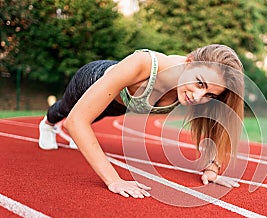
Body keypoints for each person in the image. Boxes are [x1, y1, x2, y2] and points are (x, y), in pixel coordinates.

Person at [38, 44, 244, 198]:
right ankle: (47, 125)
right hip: (92, 79)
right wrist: (114, 180)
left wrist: (212, 168)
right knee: (66, 110)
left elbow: (216, 126)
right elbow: (75, 122)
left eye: (210, 94)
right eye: (199, 83)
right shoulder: (144, 64)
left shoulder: (199, 90)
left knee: (96, 117)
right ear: (188, 63)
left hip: (121, 105)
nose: (199, 97)